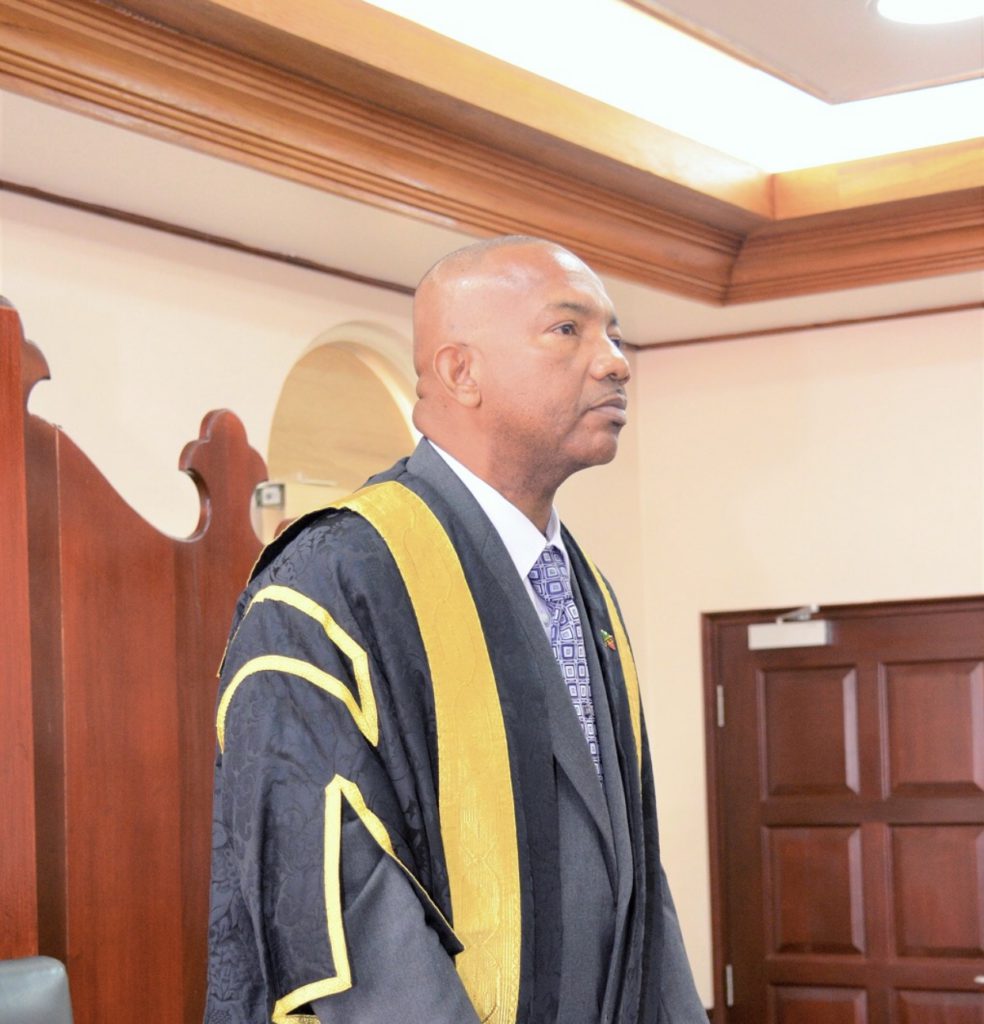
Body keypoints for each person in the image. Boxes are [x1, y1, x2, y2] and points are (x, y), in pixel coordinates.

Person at [204, 236, 707, 1024]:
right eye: (568, 330)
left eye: (613, 334)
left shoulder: (584, 589)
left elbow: (636, 879)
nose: (616, 363)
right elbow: (339, 898)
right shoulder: (336, 580)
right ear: (460, 371)